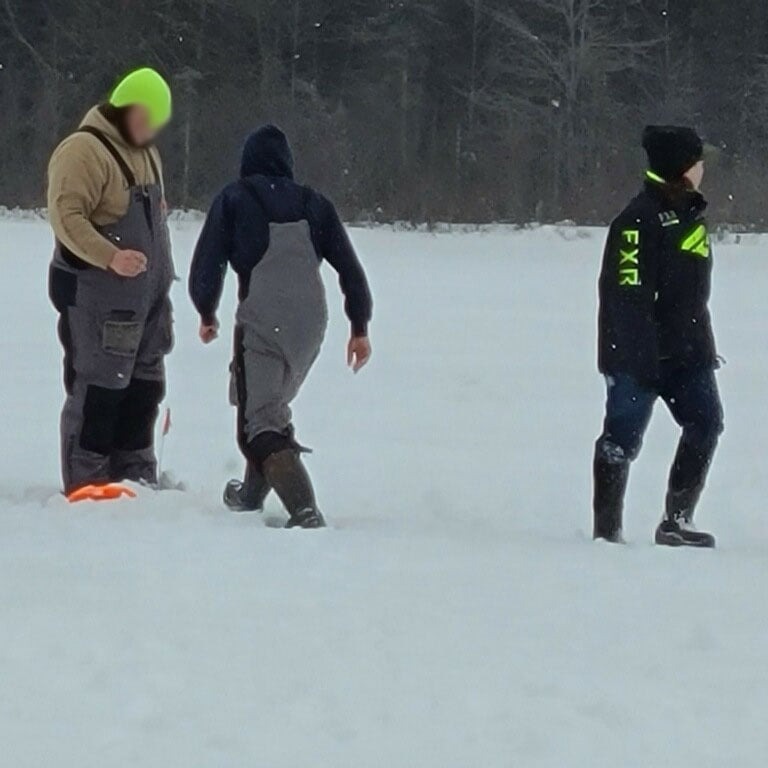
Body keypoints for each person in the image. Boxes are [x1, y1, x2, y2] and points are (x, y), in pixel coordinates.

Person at [189, 125, 373, 528]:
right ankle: (251, 493)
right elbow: (349, 266)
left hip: (263, 314)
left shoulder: (236, 197)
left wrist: (206, 310)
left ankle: (303, 509)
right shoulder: (315, 203)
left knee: (259, 423)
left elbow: (209, 260)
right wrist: (359, 325)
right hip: (310, 322)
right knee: (265, 406)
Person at [593, 125, 722, 548]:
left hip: (689, 352)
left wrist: (701, 346)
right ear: (682, 168)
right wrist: (638, 359)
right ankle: (606, 533)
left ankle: (677, 520)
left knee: (705, 424)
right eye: (697, 161)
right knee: (621, 439)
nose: (704, 168)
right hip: (637, 358)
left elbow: (688, 297)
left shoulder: (691, 216)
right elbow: (625, 298)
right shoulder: (636, 221)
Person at [47, 67, 175, 495]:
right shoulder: (83, 151)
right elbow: (67, 218)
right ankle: (88, 480)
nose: (152, 129)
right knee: (101, 388)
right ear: (125, 109)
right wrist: (111, 256)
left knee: (144, 389)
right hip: (97, 297)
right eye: (147, 119)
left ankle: (135, 475)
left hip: (147, 301)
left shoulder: (147, 153)